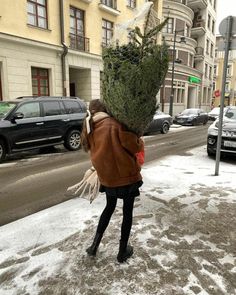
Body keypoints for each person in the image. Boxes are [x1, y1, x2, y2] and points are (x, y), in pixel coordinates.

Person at [81, 99, 144, 263]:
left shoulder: (90, 128)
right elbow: (134, 146)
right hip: (126, 177)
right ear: (106, 110)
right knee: (127, 212)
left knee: (109, 208)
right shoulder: (114, 124)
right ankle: (123, 251)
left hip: (108, 179)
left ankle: (94, 246)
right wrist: (139, 139)